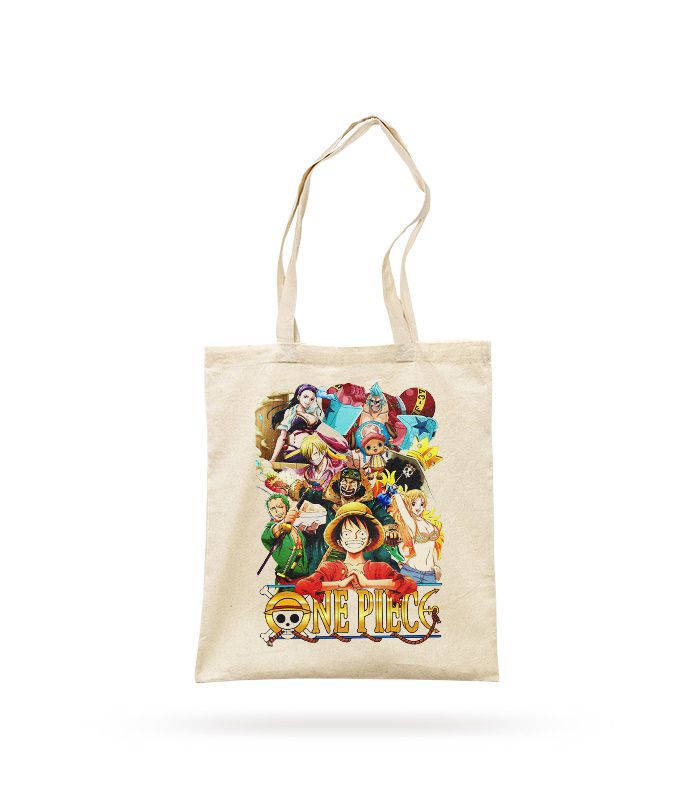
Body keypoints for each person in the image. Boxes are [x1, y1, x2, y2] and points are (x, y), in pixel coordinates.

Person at [294, 503, 417, 603]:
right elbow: (301, 586)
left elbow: (410, 585)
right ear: (340, 541)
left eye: (361, 533)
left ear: (369, 540)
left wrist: (367, 583)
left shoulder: (380, 568)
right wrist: (340, 584)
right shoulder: (329, 569)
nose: (355, 538)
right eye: (347, 534)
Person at [289, 466, 402, 569]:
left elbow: (384, 517)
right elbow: (308, 494)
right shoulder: (330, 499)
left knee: (381, 558)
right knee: (313, 559)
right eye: (344, 482)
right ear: (339, 483)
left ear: (359, 486)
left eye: (352, 483)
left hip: (359, 543)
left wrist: (390, 530)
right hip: (329, 544)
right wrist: (298, 490)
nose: (347, 486)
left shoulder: (369, 503)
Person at [269, 384, 348, 463]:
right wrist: (273, 459)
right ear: (298, 397)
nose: (308, 401)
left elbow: (324, 429)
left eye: (311, 399)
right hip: (298, 451)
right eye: (305, 397)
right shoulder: (290, 412)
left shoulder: (313, 413)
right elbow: (282, 437)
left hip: (314, 450)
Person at [389, 489, 443, 584]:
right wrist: (397, 495)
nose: (418, 508)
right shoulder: (411, 523)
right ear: (407, 505)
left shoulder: (429, 524)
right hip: (412, 572)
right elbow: (402, 509)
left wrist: (434, 565)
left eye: (421, 504)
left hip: (430, 573)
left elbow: (431, 547)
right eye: (413, 504)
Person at [260, 493, 309, 586]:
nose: (277, 511)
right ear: (269, 512)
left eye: (280, 507)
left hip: (304, 578)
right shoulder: (270, 529)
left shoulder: (296, 529)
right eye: (273, 509)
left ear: (286, 507)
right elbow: (269, 535)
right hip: (285, 582)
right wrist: (284, 522)